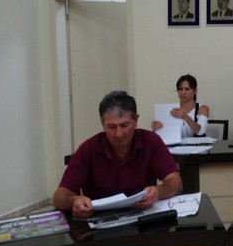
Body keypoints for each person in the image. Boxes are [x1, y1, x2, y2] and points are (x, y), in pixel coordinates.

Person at [52, 91, 183, 218]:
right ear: (102, 124)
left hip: (142, 218)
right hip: (100, 221)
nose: (119, 134)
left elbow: (175, 182)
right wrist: (75, 201)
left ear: (136, 121)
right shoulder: (89, 149)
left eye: (124, 125)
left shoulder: (151, 142)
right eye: (111, 127)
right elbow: (59, 197)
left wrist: (158, 192)